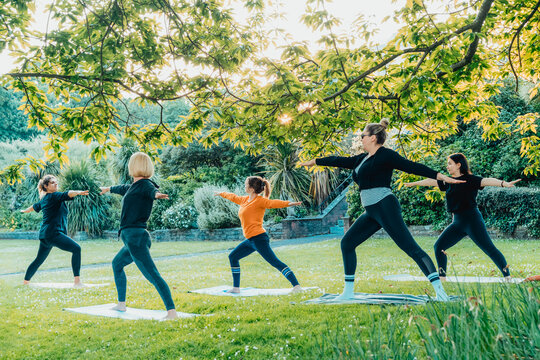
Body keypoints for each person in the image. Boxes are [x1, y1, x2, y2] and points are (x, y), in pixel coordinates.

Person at [298, 119, 464, 301]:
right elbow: (339, 161)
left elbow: (412, 167)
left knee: (410, 248)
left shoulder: (386, 155)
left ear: (373, 138)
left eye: (363, 136)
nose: (361, 138)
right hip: (371, 211)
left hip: (385, 206)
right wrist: (315, 161)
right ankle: (347, 292)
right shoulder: (361, 159)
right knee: (347, 243)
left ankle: (440, 292)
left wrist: (441, 177)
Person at [405, 152, 520, 280]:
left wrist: (504, 183)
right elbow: (431, 181)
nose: (447, 167)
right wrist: (414, 183)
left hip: (472, 221)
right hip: (457, 223)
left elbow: (486, 180)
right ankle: (442, 278)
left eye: (450, 164)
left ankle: (507, 276)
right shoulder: (448, 181)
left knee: (489, 249)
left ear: (458, 165)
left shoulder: (470, 180)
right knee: (439, 247)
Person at [100, 152, 177, 320]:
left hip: (136, 238)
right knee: (117, 264)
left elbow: (151, 192)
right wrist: (108, 189)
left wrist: (157, 195)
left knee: (152, 274)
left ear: (135, 166)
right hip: (131, 239)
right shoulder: (133, 187)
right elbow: (123, 188)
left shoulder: (145, 185)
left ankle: (171, 312)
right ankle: (121, 305)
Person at [216, 176, 303, 294]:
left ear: (252, 188)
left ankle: (296, 286)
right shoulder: (245, 200)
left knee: (274, 262)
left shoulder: (260, 201)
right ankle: (236, 288)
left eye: (246, 184)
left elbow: (273, 203)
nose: (244, 186)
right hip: (250, 240)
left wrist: (289, 203)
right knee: (233, 257)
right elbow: (233, 197)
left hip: (259, 239)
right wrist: (221, 193)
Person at [20, 175, 89, 286]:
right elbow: (67, 193)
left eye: (56, 182)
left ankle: (25, 282)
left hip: (45, 235)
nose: (56, 184)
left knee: (39, 259)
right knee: (76, 249)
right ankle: (77, 282)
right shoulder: (54, 196)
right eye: (52, 183)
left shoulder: (45, 198)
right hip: (53, 233)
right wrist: (78, 192)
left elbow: (34, 206)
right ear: (46, 186)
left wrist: (25, 211)